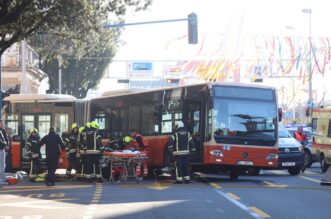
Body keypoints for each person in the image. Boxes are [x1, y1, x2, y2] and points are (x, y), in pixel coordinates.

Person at [0, 120, 9, 185]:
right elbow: (2, 141)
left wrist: (6, 145)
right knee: (2, 165)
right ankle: (3, 179)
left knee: (3, 164)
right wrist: (5, 145)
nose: (3, 125)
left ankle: (3, 178)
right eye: (1, 123)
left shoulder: (2, 130)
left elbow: (5, 138)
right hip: (1, 149)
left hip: (2, 149)